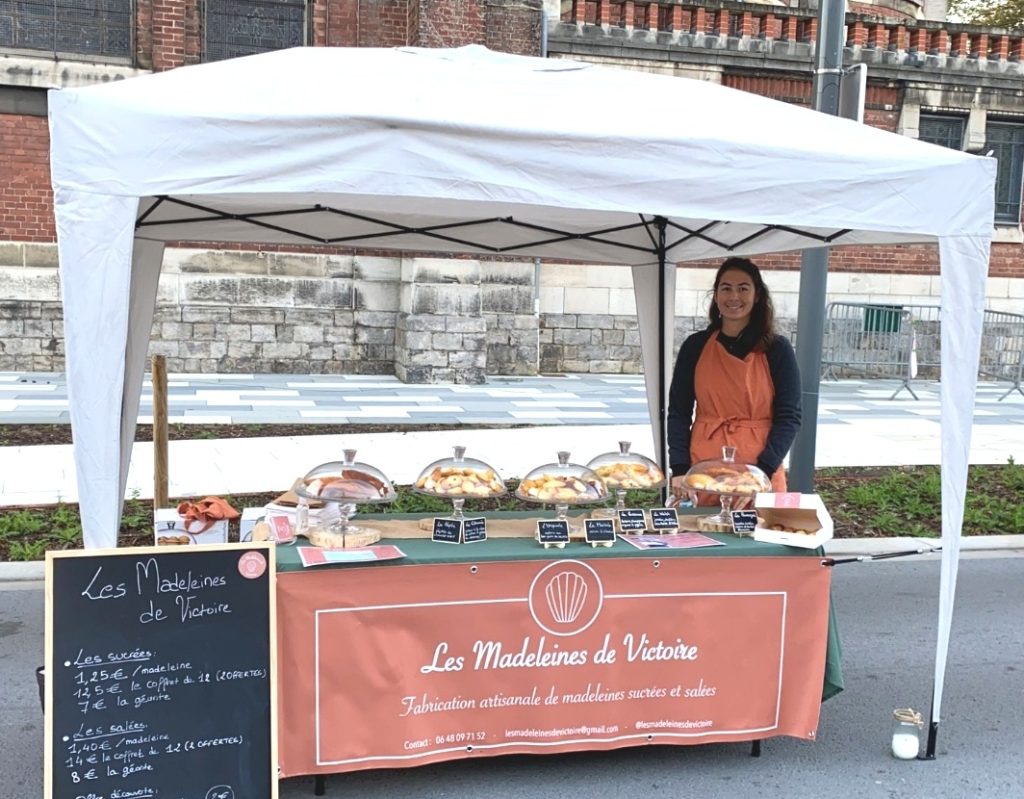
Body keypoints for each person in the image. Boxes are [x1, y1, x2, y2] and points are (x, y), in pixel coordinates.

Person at [668, 257, 801, 502]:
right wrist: (678, 468)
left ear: (757, 295)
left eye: (743, 288)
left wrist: (763, 471)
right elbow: (678, 411)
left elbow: (789, 417)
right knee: (705, 532)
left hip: (760, 464)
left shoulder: (776, 349)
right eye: (726, 288)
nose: (734, 297)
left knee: (757, 534)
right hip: (704, 468)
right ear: (716, 295)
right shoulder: (695, 346)